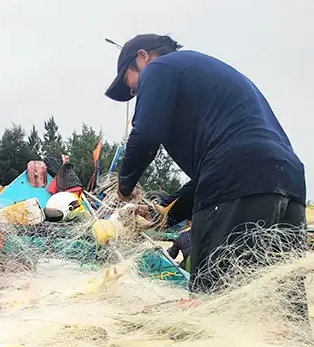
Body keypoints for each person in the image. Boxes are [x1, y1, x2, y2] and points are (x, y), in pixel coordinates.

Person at [105, 35, 307, 312]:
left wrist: (124, 188)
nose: (135, 95)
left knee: (212, 308)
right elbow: (213, 174)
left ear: (142, 57)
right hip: (288, 180)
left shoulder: (158, 68)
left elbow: (145, 135)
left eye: (132, 88)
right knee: (278, 309)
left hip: (237, 180)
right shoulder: (208, 76)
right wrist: (161, 213)